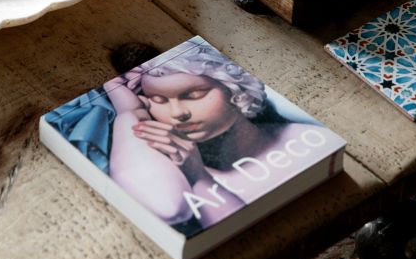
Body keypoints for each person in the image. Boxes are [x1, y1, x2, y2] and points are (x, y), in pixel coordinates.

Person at [79, 42, 323, 231]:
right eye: (159, 100)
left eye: (194, 95)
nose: (178, 114)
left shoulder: (311, 140)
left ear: (234, 89)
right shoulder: (176, 173)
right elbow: (168, 208)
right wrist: (131, 112)